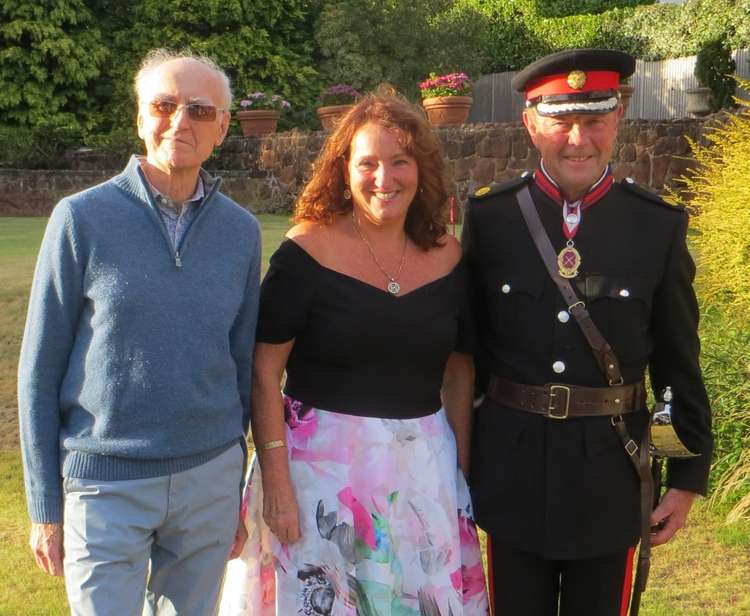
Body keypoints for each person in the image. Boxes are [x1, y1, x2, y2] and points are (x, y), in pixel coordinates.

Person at [462, 49, 713, 616]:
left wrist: (684, 475)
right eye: (561, 120)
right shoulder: (492, 218)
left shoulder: (657, 226)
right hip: (513, 473)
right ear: (530, 123)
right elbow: (466, 352)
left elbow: (676, 368)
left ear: (618, 118)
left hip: (611, 477)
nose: (579, 139)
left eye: (594, 120)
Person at [219, 91, 489, 615]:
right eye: (367, 163)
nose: (384, 178)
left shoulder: (450, 258)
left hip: (422, 476)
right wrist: (276, 481)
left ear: (421, 170)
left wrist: (460, 474)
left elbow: (460, 373)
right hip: (318, 478)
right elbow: (264, 370)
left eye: (399, 162)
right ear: (344, 170)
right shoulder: (306, 252)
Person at [18, 49, 261, 615]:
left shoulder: (242, 232)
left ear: (223, 127)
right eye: (164, 105)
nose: (180, 122)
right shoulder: (80, 218)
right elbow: (39, 369)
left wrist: (236, 492)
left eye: (200, 110)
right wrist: (44, 505)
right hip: (105, 484)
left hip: (208, 480)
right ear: (139, 117)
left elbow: (242, 362)